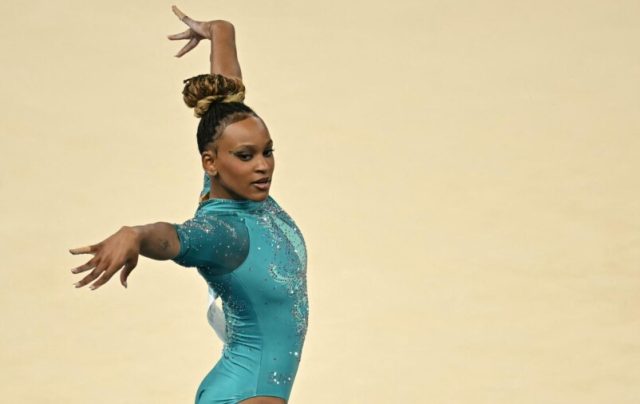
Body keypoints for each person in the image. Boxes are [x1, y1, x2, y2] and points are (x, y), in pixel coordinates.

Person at [69, 6, 309, 404]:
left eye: (268, 152)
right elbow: (173, 239)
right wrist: (136, 235)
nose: (263, 166)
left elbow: (227, 95)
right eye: (246, 156)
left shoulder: (234, 188)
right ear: (210, 162)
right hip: (244, 395)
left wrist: (219, 31)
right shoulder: (223, 233)